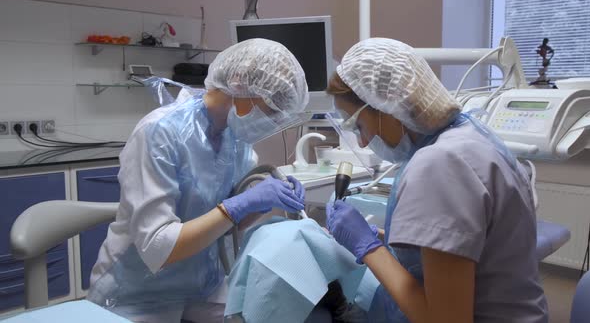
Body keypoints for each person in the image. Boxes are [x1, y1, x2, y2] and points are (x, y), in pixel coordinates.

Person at [325, 38, 548, 322]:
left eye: (359, 125)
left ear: (384, 105)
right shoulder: (469, 135)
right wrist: (382, 240)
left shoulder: (438, 164)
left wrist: (368, 249)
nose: (363, 140)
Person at [87, 38, 309, 323]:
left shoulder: (237, 140)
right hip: (136, 295)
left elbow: (226, 224)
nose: (276, 120)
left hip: (202, 289)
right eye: (274, 107)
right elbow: (158, 248)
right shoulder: (160, 133)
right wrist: (237, 205)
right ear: (240, 83)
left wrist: (261, 202)